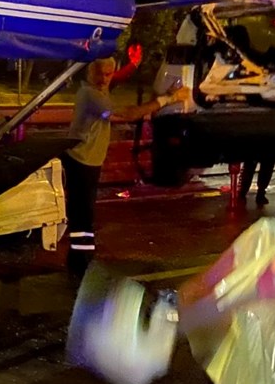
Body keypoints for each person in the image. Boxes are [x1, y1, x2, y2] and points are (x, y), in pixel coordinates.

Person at [63, 56, 188, 276]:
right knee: (83, 215)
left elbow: (117, 77)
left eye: (108, 74)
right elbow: (128, 114)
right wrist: (168, 98)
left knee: (83, 213)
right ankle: (81, 264)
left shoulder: (98, 89)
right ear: (89, 73)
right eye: (99, 73)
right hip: (82, 161)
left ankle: (79, 260)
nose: (104, 79)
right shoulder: (91, 96)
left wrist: (133, 64)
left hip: (87, 160)